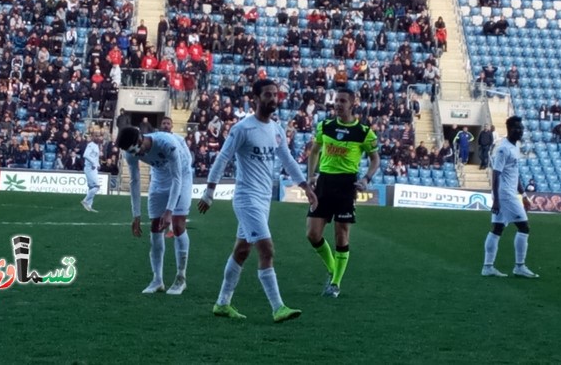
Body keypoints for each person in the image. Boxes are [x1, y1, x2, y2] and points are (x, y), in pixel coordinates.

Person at [198, 79, 318, 323]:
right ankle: (278, 307)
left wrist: (306, 187)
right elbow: (222, 159)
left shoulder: (276, 129)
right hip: (246, 199)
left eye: (275, 95)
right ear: (256, 98)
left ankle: (222, 304)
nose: (273, 99)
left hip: (263, 201)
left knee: (242, 251)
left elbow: (288, 160)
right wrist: (209, 192)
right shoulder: (243, 129)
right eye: (267, 95)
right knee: (267, 249)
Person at [305, 88, 380, 298]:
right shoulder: (325, 126)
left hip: (347, 185)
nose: (338, 104)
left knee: (341, 234)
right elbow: (314, 151)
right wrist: (311, 175)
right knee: (312, 233)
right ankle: (332, 269)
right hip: (324, 183)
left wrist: (366, 178)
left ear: (352, 103)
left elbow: (375, 159)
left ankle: (335, 283)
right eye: (336, 100)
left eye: (343, 101)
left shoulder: (364, 132)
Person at [116, 125, 194, 295]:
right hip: (159, 177)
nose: (137, 155)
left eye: (137, 151)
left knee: (178, 225)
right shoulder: (129, 152)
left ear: (140, 140)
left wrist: (169, 210)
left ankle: (181, 278)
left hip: (181, 175)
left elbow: (177, 178)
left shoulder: (167, 144)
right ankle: (157, 280)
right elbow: (135, 181)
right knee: (155, 228)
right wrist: (136, 215)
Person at [481, 116, 538, 278]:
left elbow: (515, 175)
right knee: (524, 227)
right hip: (505, 195)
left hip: (508, 194)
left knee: (497, 229)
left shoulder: (515, 147)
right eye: (517, 128)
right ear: (509, 129)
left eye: (522, 128)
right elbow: (496, 174)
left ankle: (487, 267)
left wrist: (524, 195)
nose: (520, 131)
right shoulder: (503, 149)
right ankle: (519, 266)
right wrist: (496, 199)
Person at [80, 132, 103, 212]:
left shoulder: (97, 146)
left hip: (93, 168)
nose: (98, 138)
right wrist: (94, 163)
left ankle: (89, 206)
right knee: (96, 186)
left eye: (99, 136)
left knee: (92, 187)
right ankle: (85, 201)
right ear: (93, 137)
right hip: (89, 168)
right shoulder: (91, 145)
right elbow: (85, 155)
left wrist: (98, 164)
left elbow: (95, 157)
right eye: (96, 136)